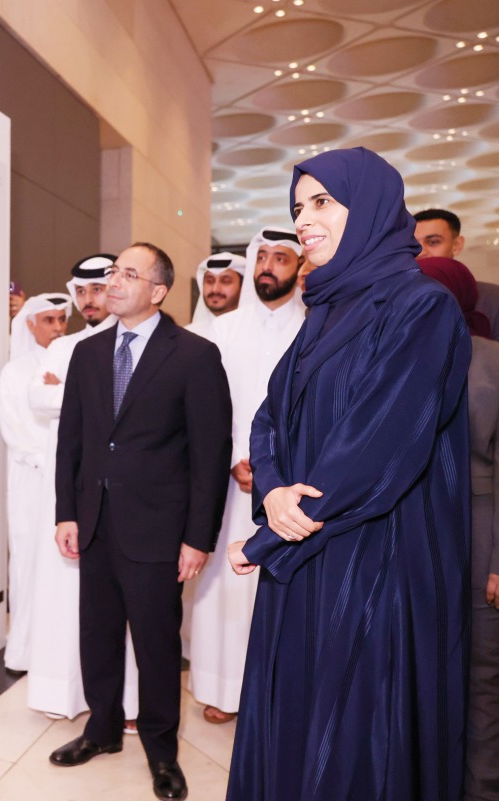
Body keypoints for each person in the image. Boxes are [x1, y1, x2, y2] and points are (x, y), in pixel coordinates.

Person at [226, 147, 472, 801]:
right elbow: (270, 415)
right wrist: (272, 492)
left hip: (376, 562)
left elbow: (380, 445)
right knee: (296, 726)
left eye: (322, 203)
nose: (302, 220)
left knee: (354, 738)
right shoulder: (327, 309)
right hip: (305, 552)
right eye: (297, 207)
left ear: (370, 208)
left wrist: (272, 533)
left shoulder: (421, 307)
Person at [50, 243, 232, 801]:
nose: (114, 281)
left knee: (156, 646)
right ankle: (102, 730)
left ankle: (161, 750)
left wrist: (198, 537)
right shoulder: (87, 352)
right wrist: (66, 512)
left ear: (158, 291)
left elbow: (210, 455)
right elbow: (72, 441)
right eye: (113, 272)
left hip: (159, 529)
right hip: (95, 522)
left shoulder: (195, 355)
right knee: (97, 634)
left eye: (128, 274)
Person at [417, 256, 499, 801]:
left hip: (482, 547)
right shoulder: (393, 356)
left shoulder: (498, 360)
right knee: (420, 678)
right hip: (412, 547)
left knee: (483, 678)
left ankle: (491, 790)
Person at [188, 227, 304, 725]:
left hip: (293, 485)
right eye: (262, 257)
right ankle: (223, 688)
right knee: (225, 588)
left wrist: (275, 468)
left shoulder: (315, 325)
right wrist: (237, 456)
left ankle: (278, 698)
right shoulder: (222, 329)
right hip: (230, 482)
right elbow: (208, 405)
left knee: (282, 588)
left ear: (298, 267)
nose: (268, 267)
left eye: (281, 258)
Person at [25, 254, 139, 728]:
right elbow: (37, 397)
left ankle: (127, 704)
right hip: (70, 492)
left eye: (98, 289)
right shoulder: (63, 347)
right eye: (82, 292)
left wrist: (70, 391)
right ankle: (64, 693)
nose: (90, 300)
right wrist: (82, 393)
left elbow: (123, 405)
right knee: (65, 598)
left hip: (121, 494)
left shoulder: (135, 342)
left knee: (121, 604)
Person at [0, 293, 70, 672]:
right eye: (49, 320)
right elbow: (13, 428)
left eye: (62, 319)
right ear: (30, 325)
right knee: (28, 558)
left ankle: (60, 650)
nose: (58, 328)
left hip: (68, 479)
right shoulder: (15, 371)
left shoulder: (73, 359)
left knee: (63, 565)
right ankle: (24, 650)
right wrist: (46, 460)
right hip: (31, 478)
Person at [415, 208, 499, 350]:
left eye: (433, 242)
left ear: (457, 245)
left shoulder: (497, 299)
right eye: (413, 245)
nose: (421, 252)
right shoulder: (396, 297)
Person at [185, 252, 244, 340]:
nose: (215, 289)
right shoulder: (188, 335)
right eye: (209, 281)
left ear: (243, 287)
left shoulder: (255, 332)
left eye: (226, 281)